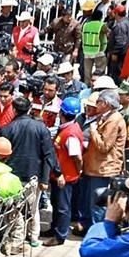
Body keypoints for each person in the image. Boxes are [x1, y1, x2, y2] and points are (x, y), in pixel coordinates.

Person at [0, 96, 55, 249]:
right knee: (33, 208)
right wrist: (45, 179)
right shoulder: (41, 128)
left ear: (13, 110)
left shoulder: (6, 129)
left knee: (12, 208)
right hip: (33, 176)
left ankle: (14, 237)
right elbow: (48, 154)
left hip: (10, 177)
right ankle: (33, 236)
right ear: (30, 109)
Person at [79, 91, 126, 230]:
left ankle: (99, 233)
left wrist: (93, 131)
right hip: (93, 167)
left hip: (104, 169)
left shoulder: (114, 120)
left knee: (98, 205)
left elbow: (104, 146)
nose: (96, 105)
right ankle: (88, 229)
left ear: (105, 104)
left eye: (98, 102)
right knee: (88, 202)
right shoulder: (104, 117)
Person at [44, 97, 84, 246]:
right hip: (60, 175)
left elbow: (77, 157)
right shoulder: (68, 129)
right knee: (56, 203)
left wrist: (77, 171)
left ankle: (60, 235)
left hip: (65, 177)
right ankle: (54, 228)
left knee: (62, 207)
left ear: (61, 113)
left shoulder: (70, 133)